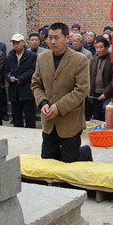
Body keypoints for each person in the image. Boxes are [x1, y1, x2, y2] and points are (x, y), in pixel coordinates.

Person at [31, 22, 92, 162]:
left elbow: (82, 89)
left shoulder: (79, 60)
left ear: (67, 38)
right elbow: (36, 84)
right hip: (48, 120)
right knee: (48, 159)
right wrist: (43, 102)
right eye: (49, 37)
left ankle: (84, 153)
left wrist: (59, 107)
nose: (52, 41)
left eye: (56, 38)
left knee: (69, 162)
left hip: (70, 120)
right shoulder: (42, 58)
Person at [5, 34, 37, 128]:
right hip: (14, 91)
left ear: (23, 43)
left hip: (27, 90)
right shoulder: (9, 57)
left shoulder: (31, 56)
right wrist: (9, 78)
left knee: (29, 116)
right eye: (14, 43)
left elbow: (33, 70)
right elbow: (5, 71)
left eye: (18, 43)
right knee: (16, 116)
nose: (16, 45)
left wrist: (22, 78)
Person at [88, 36, 113, 121]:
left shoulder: (112, 61)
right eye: (96, 48)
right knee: (96, 118)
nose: (98, 50)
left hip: (108, 95)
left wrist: (105, 93)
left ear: (107, 47)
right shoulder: (94, 60)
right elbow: (90, 76)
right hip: (94, 95)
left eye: (100, 47)